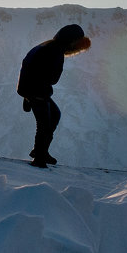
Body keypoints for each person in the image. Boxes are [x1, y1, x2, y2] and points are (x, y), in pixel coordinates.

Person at [16, 24, 91, 168]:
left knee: (54, 115)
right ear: (72, 41)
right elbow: (53, 79)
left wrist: (26, 94)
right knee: (44, 124)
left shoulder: (48, 45)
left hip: (32, 88)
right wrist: (31, 95)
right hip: (37, 90)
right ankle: (39, 157)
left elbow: (28, 64)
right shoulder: (56, 51)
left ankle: (40, 151)